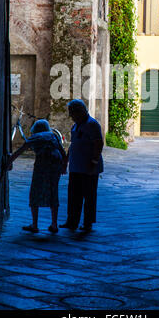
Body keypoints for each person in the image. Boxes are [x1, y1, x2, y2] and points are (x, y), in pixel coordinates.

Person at [7, 119, 67, 233]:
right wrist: (64, 167)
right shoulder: (53, 135)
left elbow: (19, 151)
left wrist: (9, 162)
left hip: (43, 163)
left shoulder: (35, 137)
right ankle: (54, 224)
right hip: (56, 163)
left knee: (35, 191)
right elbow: (62, 151)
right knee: (53, 191)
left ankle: (34, 225)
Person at [60, 99, 104, 232]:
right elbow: (73, 145)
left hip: (88, 167)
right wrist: (66, 161)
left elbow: (99, 144)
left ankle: (87, 223)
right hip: (76, 166)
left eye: (72, 113)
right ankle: (72, 221)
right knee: (74, 195)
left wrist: (94, 162)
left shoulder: (92, 124)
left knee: (89, 196)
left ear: (80, 111)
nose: (70, 116)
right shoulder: (76, 125)